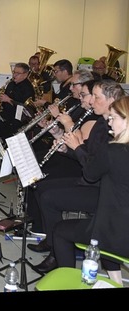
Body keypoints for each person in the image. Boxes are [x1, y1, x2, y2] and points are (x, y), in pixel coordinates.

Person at [31, 80, 125, 273]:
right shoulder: (103, 124)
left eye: (96, 97)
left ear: (111, 100)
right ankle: (53, 243)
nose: (91, 102)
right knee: (42, 188)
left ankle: (56, 250)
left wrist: (76, 146)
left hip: (102, 191)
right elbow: (88, 154)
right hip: (97, 183)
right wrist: (67, 145)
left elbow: (92, 166)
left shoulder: (114, 134)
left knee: (50, 198)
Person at [50, 95, 129, 286]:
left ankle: (66, 283)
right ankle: (115, 282)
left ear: (126, 120)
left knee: (60, 231)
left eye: (113, 119)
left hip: (114, 233)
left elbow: (91, 174)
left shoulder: (114, 151)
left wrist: (77, 146)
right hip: (121, 228)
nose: (110, 124)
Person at [0, 62, 35, 140]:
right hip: (8, 113)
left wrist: (9, 100)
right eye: (14, 72)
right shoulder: (11, 84)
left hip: (19, 118)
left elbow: (26, 108)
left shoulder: (28, 88)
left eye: (18, 73)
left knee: (3, 126)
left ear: (25, 74)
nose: (14, 75)